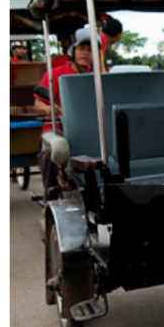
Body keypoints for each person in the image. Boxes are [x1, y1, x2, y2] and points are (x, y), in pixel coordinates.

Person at [33, 28, 100, 204]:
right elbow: (37, 105)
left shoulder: (99, 77)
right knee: (50, 153)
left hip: (88, 128)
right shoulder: (54, 74)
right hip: (57, 128)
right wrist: (48, 108)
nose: (87, 53)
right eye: (82, 48)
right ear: (72, 51)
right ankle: (51, 198)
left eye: (91, 49)